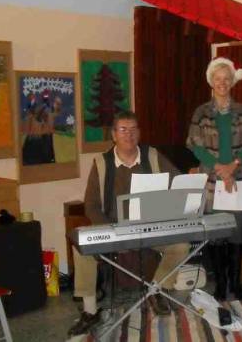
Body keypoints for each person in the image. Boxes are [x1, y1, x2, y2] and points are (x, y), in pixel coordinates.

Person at [69, 111, 190, 337]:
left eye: (133, 129)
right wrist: (111, 231)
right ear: (114, 135)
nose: (129, 134)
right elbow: (91, 205)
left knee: (181, 245)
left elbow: (178, 181)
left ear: (139, 133)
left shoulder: (152, 156)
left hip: (150, 227)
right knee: (81, 250)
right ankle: (89, 311)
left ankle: (157, 289)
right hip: (113, 228)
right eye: (123, 129)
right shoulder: (101, 163)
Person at [186, 57, 242, 301]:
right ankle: (220, 284)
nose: (222, 82)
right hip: (211, 181)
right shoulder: (201, 112)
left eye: (226, 78)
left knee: (236, 234)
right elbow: (194, 145)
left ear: (231, 81)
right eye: (217, 79)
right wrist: (219, 167)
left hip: (239, 179)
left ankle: (236, 284)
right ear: (211, 81)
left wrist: (233, 166)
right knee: (217, 234)